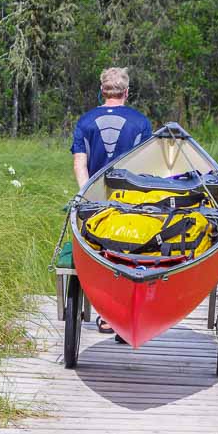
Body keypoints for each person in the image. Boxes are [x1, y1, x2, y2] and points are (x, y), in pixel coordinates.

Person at [71, 67, 152, 338]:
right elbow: (144, 167)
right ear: (126, 92)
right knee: (130, 253)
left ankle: (107, 314)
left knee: (100, 256)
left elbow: (79, 164)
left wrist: (87, 195)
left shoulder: (85, 121)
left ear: (101, 90)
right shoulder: (140, 122)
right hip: (131, 199)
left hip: (96, 200)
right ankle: (126, 317)